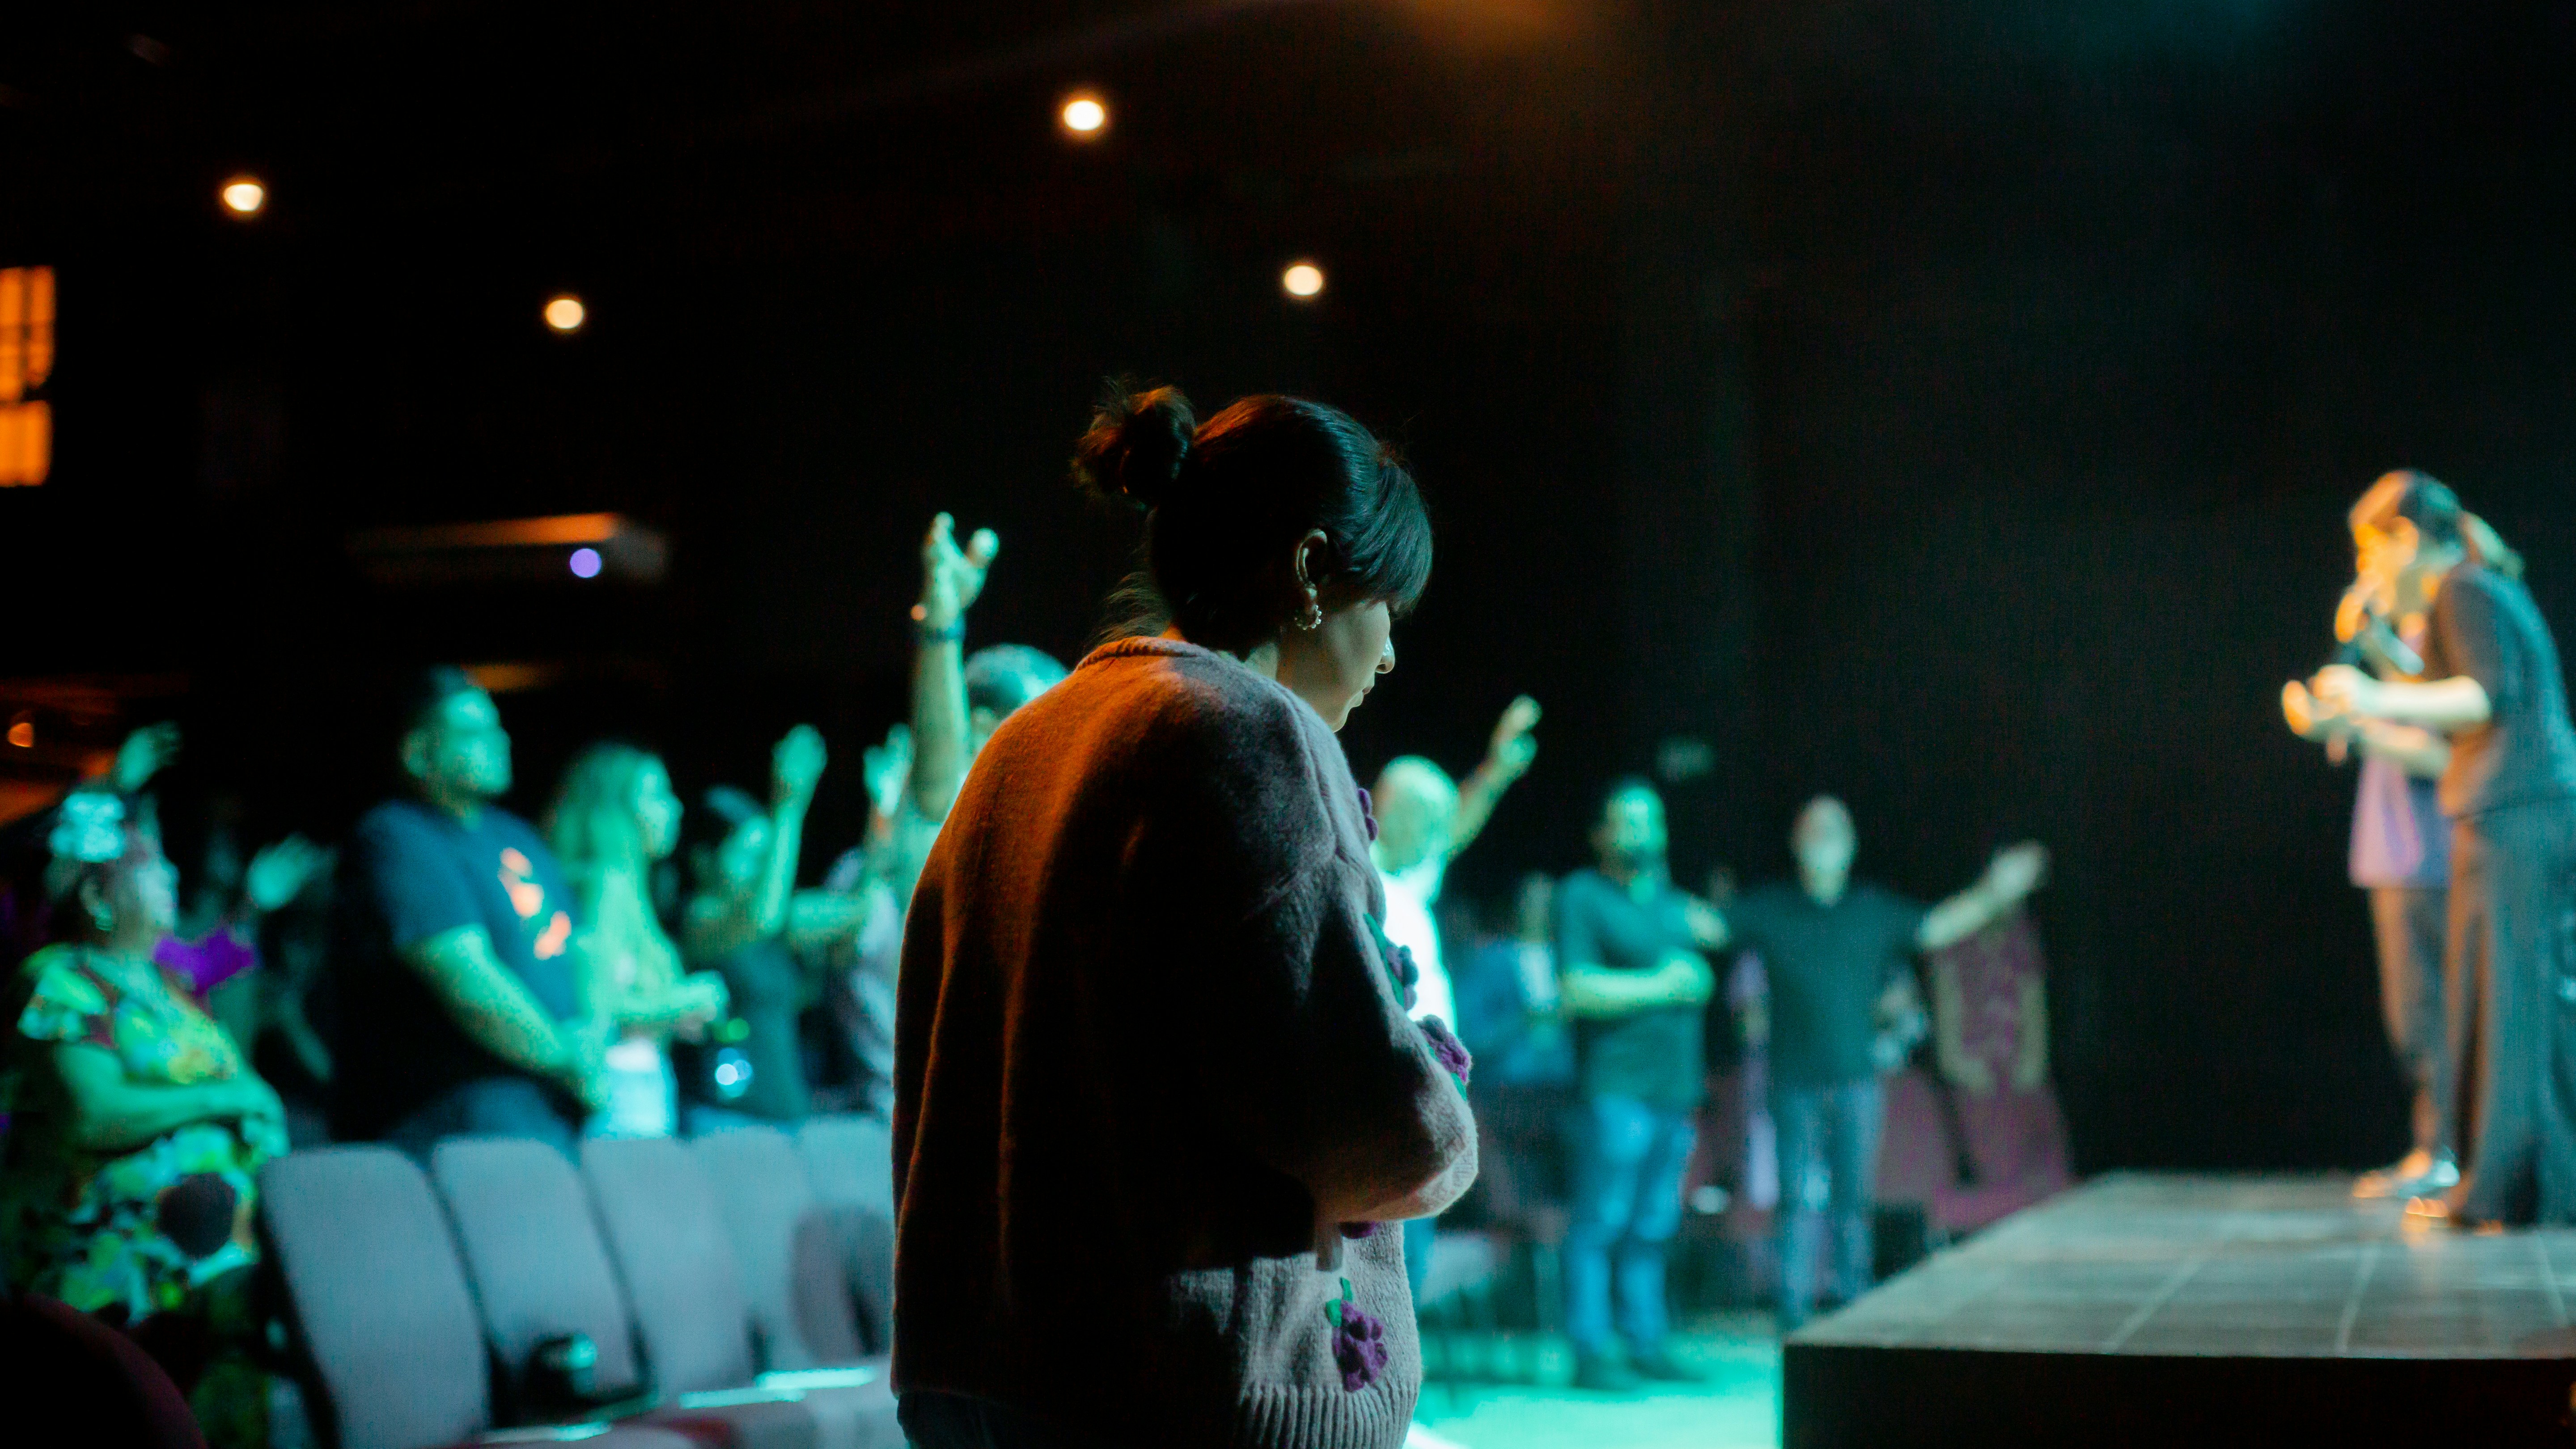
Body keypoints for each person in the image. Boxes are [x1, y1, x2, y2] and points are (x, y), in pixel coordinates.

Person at [893, 385, 1474, 1449]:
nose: (1387, 655)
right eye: (1385, 608)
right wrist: (1436, 1106)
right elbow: (1369, 1132)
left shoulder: (1024, 743)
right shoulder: (1252, 732)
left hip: (983, 1380)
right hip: (1184, 1389)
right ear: (1308, 574)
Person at [2311, 472, 2576, 1226]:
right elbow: (2443, 688)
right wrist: (2376, 656)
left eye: (2373, 553)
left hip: (2521, 812)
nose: (2368, 572)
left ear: (2407, 540)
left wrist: (2369, 698)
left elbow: (2482, 697)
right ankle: (2508, 1185)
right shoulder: (2470, 591)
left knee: (2516, 1004)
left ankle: (2507, 1190)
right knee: (2504, 1002)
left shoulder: (2467, 590)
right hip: (2507, 812)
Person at [1, 788, 287, 1446]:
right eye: (150, 868)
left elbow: (243, 1086)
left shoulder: (171, 988)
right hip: (115, 1294)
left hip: (216, 1294)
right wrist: (227, 1099)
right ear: (98, 900)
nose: (173, 876)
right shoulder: (59, 978)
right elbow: (94, 1116)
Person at [1709, 797, 2046, 1330]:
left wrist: (1993, 893)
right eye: (1813, 829)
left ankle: (1853, 1311)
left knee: (1852, 1201)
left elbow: (1936, 927)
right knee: (1796, 1202)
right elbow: (1709, 927)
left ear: (1852, 843)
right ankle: (1793, 1315)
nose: (1824, 838)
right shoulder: (1771, 909)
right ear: (1796, 842)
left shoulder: (1872, 911)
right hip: (1792, 1081)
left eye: (1835, 829)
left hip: (1856, 1082)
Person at [329, 668, 606, 1157]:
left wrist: (592, 1039)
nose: (498, 742)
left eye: (497, 728)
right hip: (463, 1111)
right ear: (418, 753)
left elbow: (584, 951)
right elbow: (467, 980)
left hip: (554, 1098)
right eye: (473, 733)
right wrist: (568, 1057)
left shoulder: (517, 836)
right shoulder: (399, 837)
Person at [1553, 779, 1726, 1390]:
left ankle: (1646, 1342)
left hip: (1674, 1092)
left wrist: (1697, 973)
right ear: (1600, 833)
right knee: (1602, 1220)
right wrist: (1668, 983)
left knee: (1653, 1225)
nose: (1640, 832)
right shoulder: (1582, 895)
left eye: (1649, 821)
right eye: (1626, 821)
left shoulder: (1675, 905)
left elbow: (1714, 947)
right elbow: (1576, 989)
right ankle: (1591, 1351)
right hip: (1615, 1090)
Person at [1368, 695, 1540, 1300]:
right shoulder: (1360, 874)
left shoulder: (1412, 874)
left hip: (1429, 1072)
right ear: (1396, 814)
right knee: (1394, 1226)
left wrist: (1495, 771)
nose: (1442, 835)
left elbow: (1458, 827)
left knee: (1419, 1218)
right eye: (1431, 821)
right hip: (1389, 1075)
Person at [678, 726, 870, 1127]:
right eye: (747, 856)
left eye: (766, 858)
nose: (760, 873)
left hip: (787, 1118)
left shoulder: (777, 921)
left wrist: (886, 812)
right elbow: (762, 918)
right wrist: (788, 806)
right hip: (726, 1123)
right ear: (702, 860)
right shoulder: (697, 924)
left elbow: (862, 909)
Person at [546, 743, 729, 1138]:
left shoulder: (636, 892)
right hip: (620, 1091)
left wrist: (678, 1014)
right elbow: (602, 1005)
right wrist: (686, 999)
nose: (674, 809)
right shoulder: (608, 886)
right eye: (657, 796)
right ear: (616, 812)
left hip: (647, 1085)